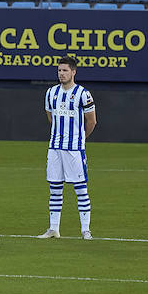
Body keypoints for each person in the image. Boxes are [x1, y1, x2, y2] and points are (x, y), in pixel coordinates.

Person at [39, 55, 97, 241]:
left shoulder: (83, 94)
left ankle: (85, 230)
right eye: (59, 70)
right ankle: (53, 228)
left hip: (74, 149)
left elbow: (92, 121)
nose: (61, 74)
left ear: (73, 71)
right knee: (55, 188)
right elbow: (50, 117)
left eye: (65, 70)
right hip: (55, 147)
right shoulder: (51, 93)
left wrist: (80, 138)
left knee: (80, 189)